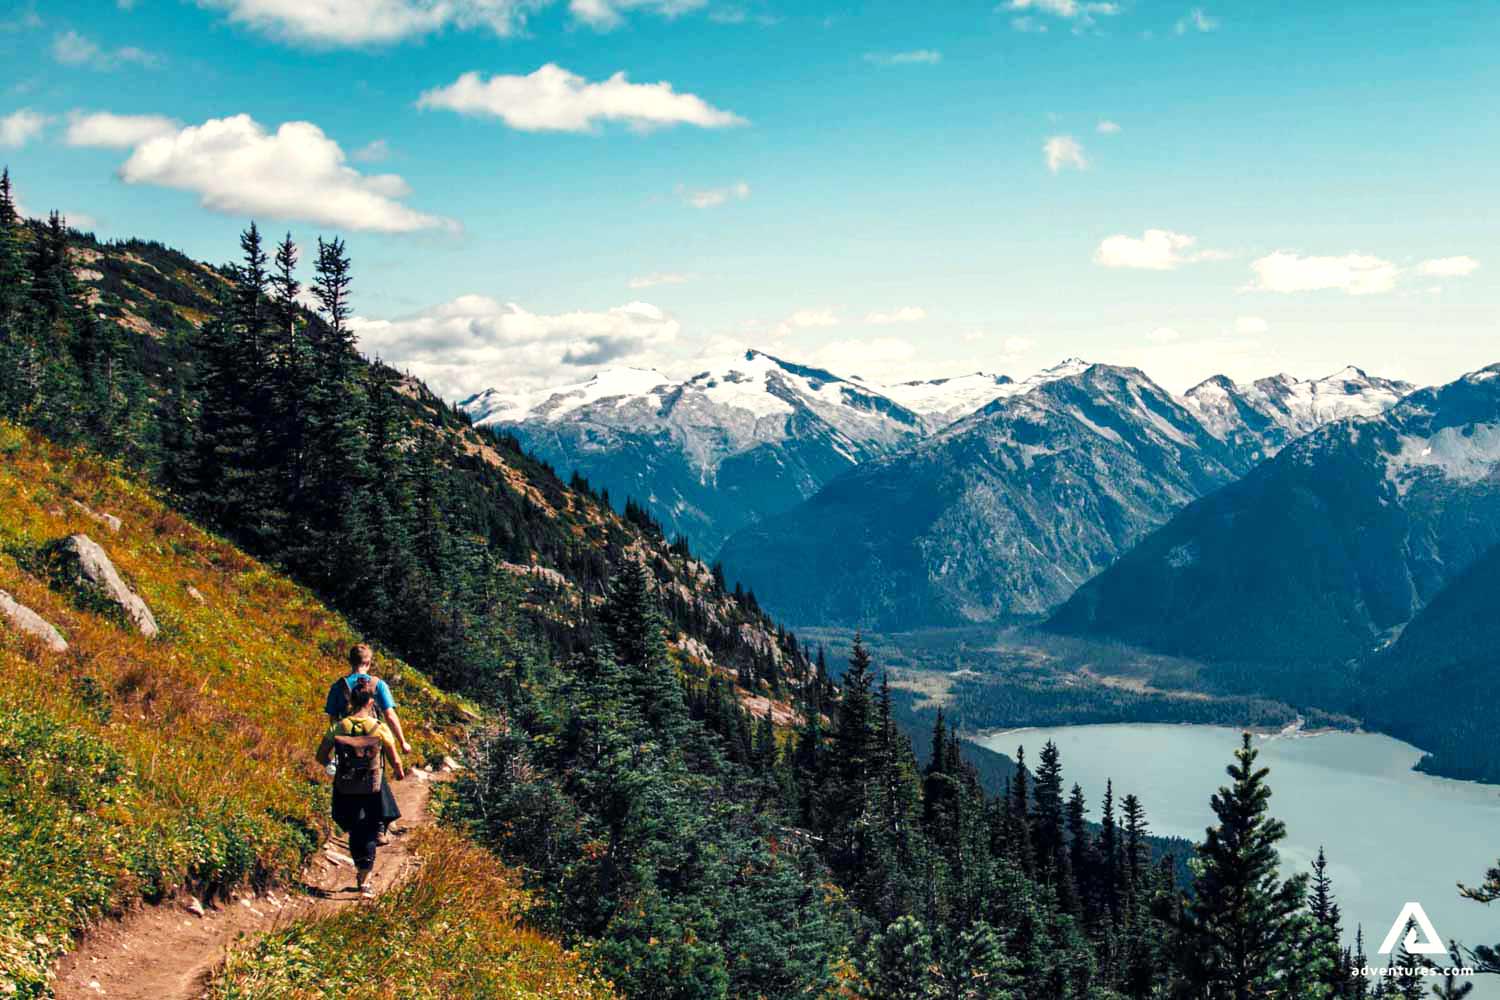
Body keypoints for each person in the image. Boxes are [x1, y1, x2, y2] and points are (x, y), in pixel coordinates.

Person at [316, 676, 405, 896]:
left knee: (356, 829)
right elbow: (395, 759)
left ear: (351, 702)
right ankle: (364, 880)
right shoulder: (379, 727)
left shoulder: (339, 726)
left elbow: (321, 755)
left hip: (345, 786)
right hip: (372, 786)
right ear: (371, 702)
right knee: (370, 830)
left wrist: (331, 766)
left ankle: (360, 869)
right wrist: (399, 772)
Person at [325, 643, 410, 842]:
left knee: (348, 777)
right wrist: (402, 741)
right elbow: (390, 715)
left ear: (350, 661)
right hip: (372, 736)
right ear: (369, 662)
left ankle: (353, 824)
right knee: (375, 775)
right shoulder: (377, 684)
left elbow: (333, 718)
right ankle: (379, 826)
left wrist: (336, 740)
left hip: (346, 738)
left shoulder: (339, 686)